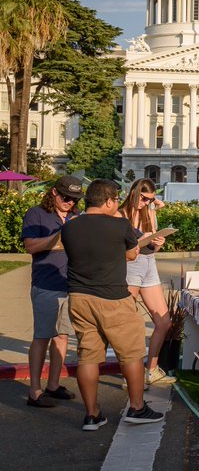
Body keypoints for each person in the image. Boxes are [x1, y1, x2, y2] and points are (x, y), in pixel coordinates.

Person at [61, 179, 164, 430]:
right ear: (108, 201)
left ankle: (92, 414)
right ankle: (137, 408)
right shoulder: (120, 225)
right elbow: (131, 254)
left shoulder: (70, 226)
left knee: (88, 356)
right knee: (130, 353)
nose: (117, 203)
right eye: (116, 199)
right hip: (113, 297)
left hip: (78, 297)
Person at [19, 175, 83, 408]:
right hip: (46, 284)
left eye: (74, 199)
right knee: (42, 337)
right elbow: (30, 246)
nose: (70, 202)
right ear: (54, 192)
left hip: (71, 284)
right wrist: (56, 239)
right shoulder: (36, 214)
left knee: (63, 336)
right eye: (66, 197)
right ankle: (35, 391)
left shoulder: (76, 216)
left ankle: (53, 385)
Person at [117, 178, 174, 385]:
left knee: (164, 321)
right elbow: (119, 249)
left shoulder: (149, 213)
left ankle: (151, 369)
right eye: (143, 198)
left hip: (149, 265)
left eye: (150, 200)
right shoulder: (120, 214)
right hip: (130, 266)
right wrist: (141, 241)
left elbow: (153, 248)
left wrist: (158, 242)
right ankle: (130, 374)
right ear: (134, 192)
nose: (146, 202)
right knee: (129, 324)